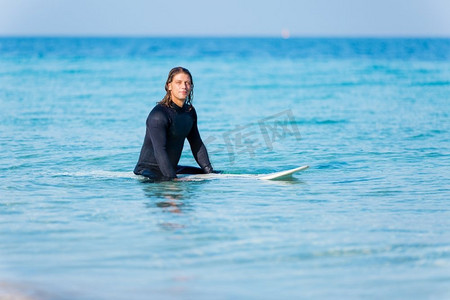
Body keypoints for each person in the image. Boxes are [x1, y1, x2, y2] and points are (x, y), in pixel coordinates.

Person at [134, 67, 216, 181]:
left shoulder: (189, 112)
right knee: (166, 179)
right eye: (178, 82)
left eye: (187, 83)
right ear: (169, 86)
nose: (184, 86)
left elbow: (196, 144)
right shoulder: (158, 115)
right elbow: (160, 151)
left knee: (210, 173)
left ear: (191, 86)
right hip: (147, 171)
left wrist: (209, 171)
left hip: (171, 167)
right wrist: (172, 180)